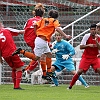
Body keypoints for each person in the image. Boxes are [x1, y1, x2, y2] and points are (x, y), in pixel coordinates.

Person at [12, 9, 71, 79]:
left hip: (42, 40)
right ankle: (21, 51)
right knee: (36, 58)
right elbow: (57, 28)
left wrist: (36, 33)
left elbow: (35, 24)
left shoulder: (43, 20)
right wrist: (66, 36)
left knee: (49, 54)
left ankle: (48, 72)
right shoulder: (54, 21)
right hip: (41, 41)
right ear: (56, 17)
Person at [22, 3, 52, 81]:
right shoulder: (42, 21)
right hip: (37, 41)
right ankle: (29, 71)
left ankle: (28, 71)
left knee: (39, 57)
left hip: (29, 40)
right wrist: (48, 42)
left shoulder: (29, 20)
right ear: (43, 13)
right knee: (41, 57)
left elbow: (24, 30)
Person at [67, 24, 100, 89]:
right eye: (91, 29)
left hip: (94, 57)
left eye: (94, 29)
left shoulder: (98, 37)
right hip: (86, 57)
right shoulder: (86, 36)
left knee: (99, 70)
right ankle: (70, 86)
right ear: (90, 30)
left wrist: (97, 42)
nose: (93, 31)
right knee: (79, 71)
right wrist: (88, 45)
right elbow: (81, 46)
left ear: (97, 29)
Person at [0, 21, 25, 90]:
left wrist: (0, 58)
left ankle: (15, 85)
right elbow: (20, 31)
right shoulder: (6, 29)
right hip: (12, 52)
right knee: (19, 68)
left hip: (5, 55)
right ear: (1, 24)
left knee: (14, 68)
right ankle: (17, 86)